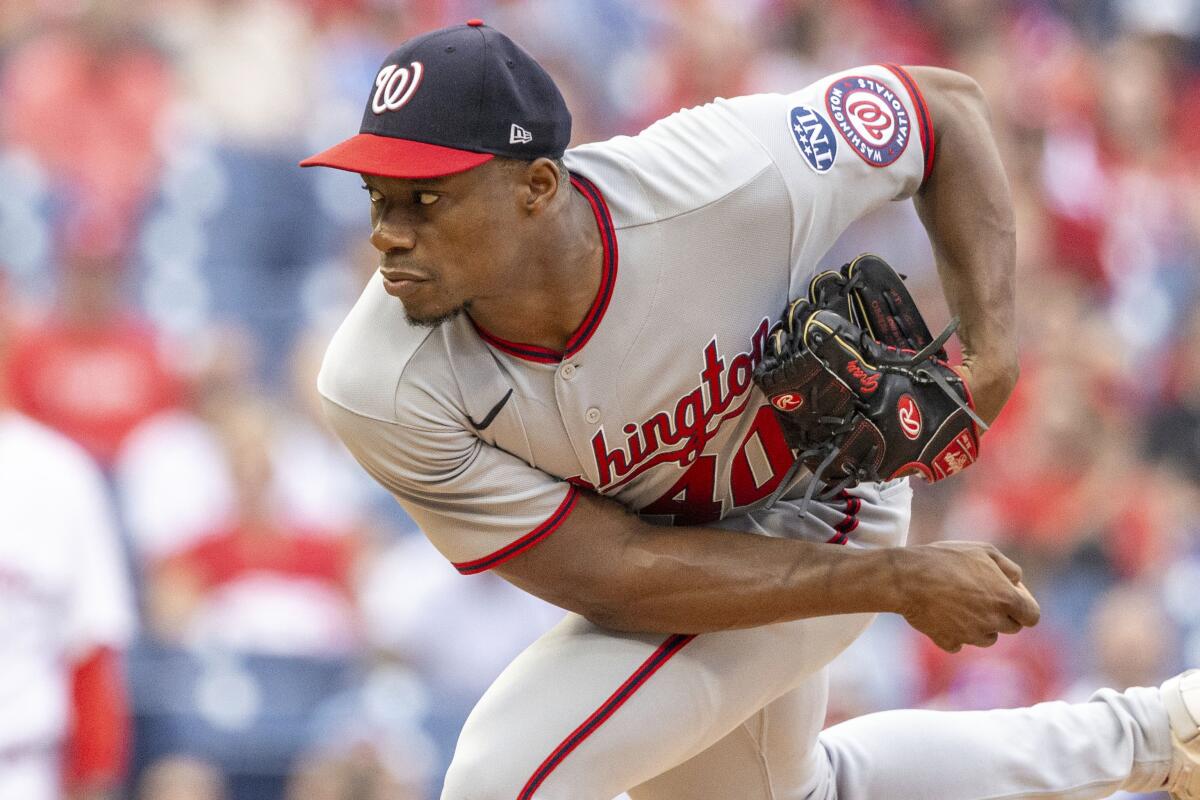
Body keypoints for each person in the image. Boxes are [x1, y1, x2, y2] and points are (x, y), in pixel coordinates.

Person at [301, 20, 1200, 799]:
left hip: (819, 502)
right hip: (665, 562)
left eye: (427, 198)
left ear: (538, 188)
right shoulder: (380, 383)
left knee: (504, 781)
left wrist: (993, 361)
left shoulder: (721, 180)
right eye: (380, 198)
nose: (389, 231)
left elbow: (942, 110)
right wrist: (896, 587)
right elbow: (611, 574)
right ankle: (1166, 733)